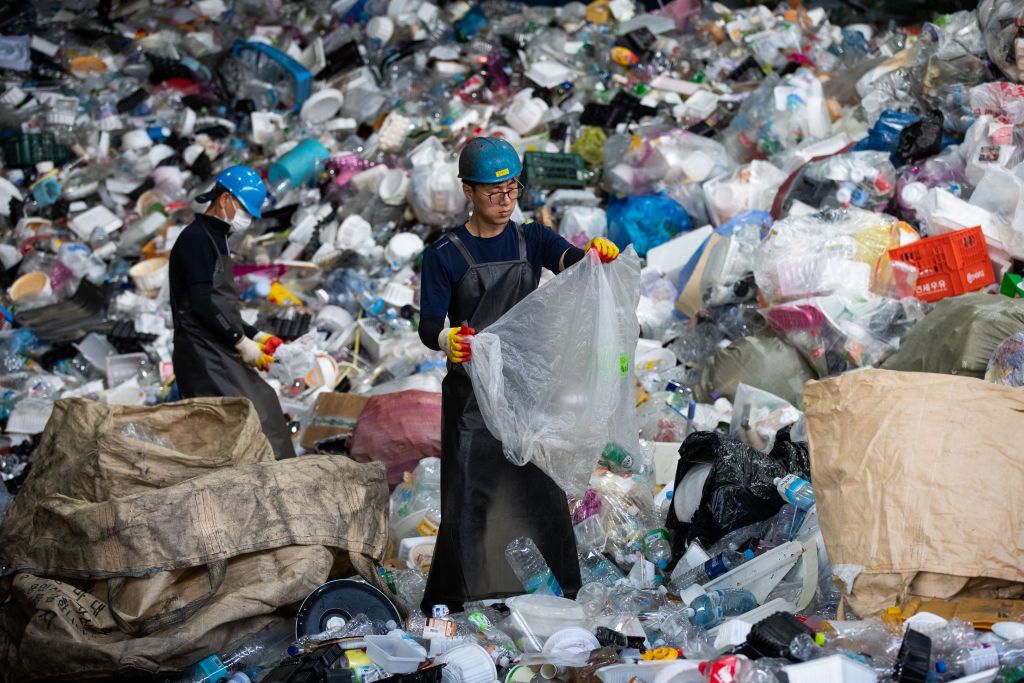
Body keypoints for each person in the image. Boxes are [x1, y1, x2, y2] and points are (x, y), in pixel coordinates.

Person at [417, 137, 620, 612]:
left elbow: (569, 262)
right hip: (471, 398)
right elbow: (429, 326)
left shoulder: (533, 238)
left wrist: (594, 256)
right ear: (468, 191)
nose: (506, 201)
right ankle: (466, 597)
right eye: (493, 192)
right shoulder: (444, 254)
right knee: (471, 497)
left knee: (539, 491)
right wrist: (448, 341)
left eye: (512, 190)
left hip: (528, 391)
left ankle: (556, 593)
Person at [169, 165, 295, 459]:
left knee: (264, 406)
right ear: (225, 200)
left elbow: (222, 304)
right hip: (202, 354)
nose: (248, 220)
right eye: (246, 211)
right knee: (254, 417)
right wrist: (240, 341)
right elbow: (202, 304)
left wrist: (258, 336)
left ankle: (280, 482)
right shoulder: (196, 239)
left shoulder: (217, 238)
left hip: (215, 343)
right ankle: (274, 486)